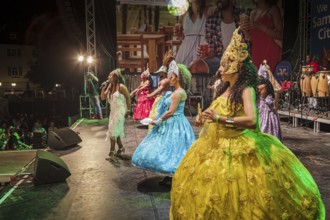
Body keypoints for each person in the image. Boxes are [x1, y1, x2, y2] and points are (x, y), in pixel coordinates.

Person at [170, 28, 325, 219]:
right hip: (214, 148)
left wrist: (220, 119)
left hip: (240, 148)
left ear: (237, 67)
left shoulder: (246, 90)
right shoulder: (223, 89)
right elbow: (216, 114)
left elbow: (252, 120)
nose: (221, 69)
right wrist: (205, 118)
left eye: (225, 65)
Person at [132, 61, 195, 185]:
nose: (169, 79)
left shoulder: (179, 93)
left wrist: (157, 121)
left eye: (171, 77)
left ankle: (174, 174)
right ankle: (169, 174)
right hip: (170, 122)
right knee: (167, 148)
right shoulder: (174, 92)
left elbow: (171, 112)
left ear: (177, 78)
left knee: (175, 148)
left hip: (176, 124)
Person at [188, 0, 251, 76]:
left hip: (241, 59)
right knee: (194, 66)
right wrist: (207, 53)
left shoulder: (245, 14)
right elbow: (214, 52)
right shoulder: (212, 19)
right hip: (221, 59)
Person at [243, 0, 283, 73]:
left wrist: (260, 26)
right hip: (257, 55)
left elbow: (281, 35)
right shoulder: (253, 13)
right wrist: (244, 30)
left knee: (270, 81)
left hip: (270, 53)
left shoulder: (273, 10)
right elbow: (251, 38)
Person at [101, 69, 131, 160]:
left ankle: (112, 152)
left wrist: (128, 110)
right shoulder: (110, 86)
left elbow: (128, 99)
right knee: (115, 130)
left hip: (120, 111)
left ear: (115, 77)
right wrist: (103, 88)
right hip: (113, 111)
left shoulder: (121, 87)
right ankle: (121, 148)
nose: (108, 77)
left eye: (110, 75)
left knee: (113, 130)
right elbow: (102, 97)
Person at [175, 0, 207, 67]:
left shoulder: (207, 10)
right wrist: (179, 35)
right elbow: (182, 36)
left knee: (198, 74)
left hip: (200, 49)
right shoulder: (184, 12)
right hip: (185, 50)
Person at [146, 65, 170, 131]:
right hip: (161, 98)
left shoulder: (165, 81)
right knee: (157, 114)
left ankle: (157, 129)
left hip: (162, 99)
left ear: (163, 72)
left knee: (158, 113)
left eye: (160, 72)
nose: (159, 74)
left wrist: (150, 95)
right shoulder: (164, 80)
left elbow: (159, 90)